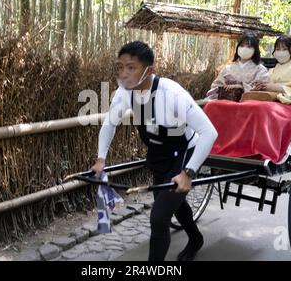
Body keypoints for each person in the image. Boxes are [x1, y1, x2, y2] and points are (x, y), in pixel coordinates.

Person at [91, 41, 218, 261]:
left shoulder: (172, 94)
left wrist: (188, 173)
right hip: (160, 155)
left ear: (148, 70)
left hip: (184, 151)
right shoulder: (125, 93)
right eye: (120, 67)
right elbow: (109, 124)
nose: (123, 73)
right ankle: (196, 239)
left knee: (159, 218)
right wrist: (101, 159)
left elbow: (209, 133)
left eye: (131, 67)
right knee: (172, 205)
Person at [205, 32, 270, 101]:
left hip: (248, 104)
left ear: (255, 50)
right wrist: (224, 88)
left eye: (249, 46)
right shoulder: (227, 68)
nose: (244, 48)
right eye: (241, 45)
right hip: (226, 101)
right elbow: (216, 86)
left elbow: (261, 90)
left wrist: (241, 87)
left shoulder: (260, 70)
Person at [252, 34, 291, 104]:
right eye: (278, 49)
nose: (281, 52)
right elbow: (265, 86)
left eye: (285, 49)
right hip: (270, 100)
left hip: (289, 103)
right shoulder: (272, 71)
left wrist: (275, 87)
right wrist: (260, 87)